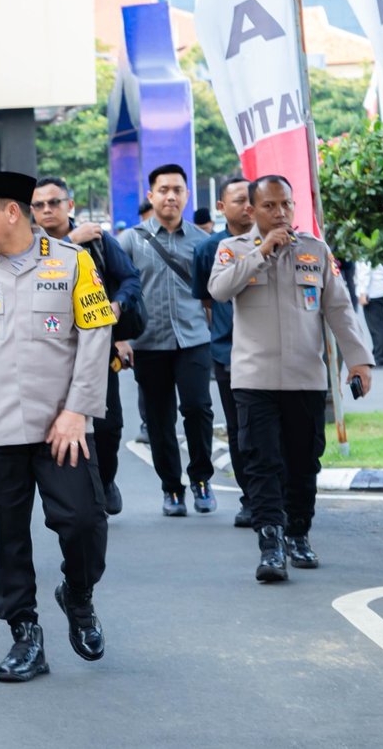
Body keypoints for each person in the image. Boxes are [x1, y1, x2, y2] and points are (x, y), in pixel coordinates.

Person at [0, 167, 116, 683]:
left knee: (82, 522)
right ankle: (25, 635)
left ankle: (77, 593)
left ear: (13, 211)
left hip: (63, 429)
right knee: (5, 539)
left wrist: (78, 410)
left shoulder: (73, 264)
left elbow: (97, 335)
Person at [208, 175, 374, 580]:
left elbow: (339, 309)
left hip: (305, 378)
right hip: (253, 379)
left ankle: (298, 533)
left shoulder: (315, 251)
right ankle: (270, 544)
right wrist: (262, 251)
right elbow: (219, 290)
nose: (280, 212)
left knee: (302, 463)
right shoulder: (232, 250)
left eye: (286, 204)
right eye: (270, 206)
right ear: (252, 210)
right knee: (262, 463)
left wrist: (359, 360)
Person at [30, 177, 142, 516]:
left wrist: (118, 308)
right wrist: (67, 242)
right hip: (46, 353)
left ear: (70, 205)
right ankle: (75, 498)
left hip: (98, 348)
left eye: (55, 202)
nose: (47, 209)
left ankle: (105, 481)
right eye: (39, 205)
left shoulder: (98, 239)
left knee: (108, 427)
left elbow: (130, 278)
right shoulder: (26, 246)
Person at [118, 164, 216, 516]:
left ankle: (202, 480)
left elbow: (213, 295)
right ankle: (171, 488)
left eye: (177, 189)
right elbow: (115, 289)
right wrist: (120, 339)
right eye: (163, 190)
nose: (170, 196)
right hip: (148, 344)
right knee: (159, 421)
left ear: (187, 196)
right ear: (151, 196)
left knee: (198, 410)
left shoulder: (202, 243)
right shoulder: (130, 240)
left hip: (193, 340)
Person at [191, 177, 254, 527]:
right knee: (239, 428)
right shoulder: (208, 249)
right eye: (239, 199)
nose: (247, 206)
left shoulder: (273, 242)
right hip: (228, 352)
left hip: (272, 353)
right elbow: (207, 299)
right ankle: (250, 497)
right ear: (221, 207)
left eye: (251, 199)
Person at [355, 261, 383, 368]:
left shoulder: (367, 246)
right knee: (381, 326)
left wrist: (362, 292)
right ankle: (379, 355)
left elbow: (365, 270)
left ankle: (381, 358)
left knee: (377, 328)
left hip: (373, 291)